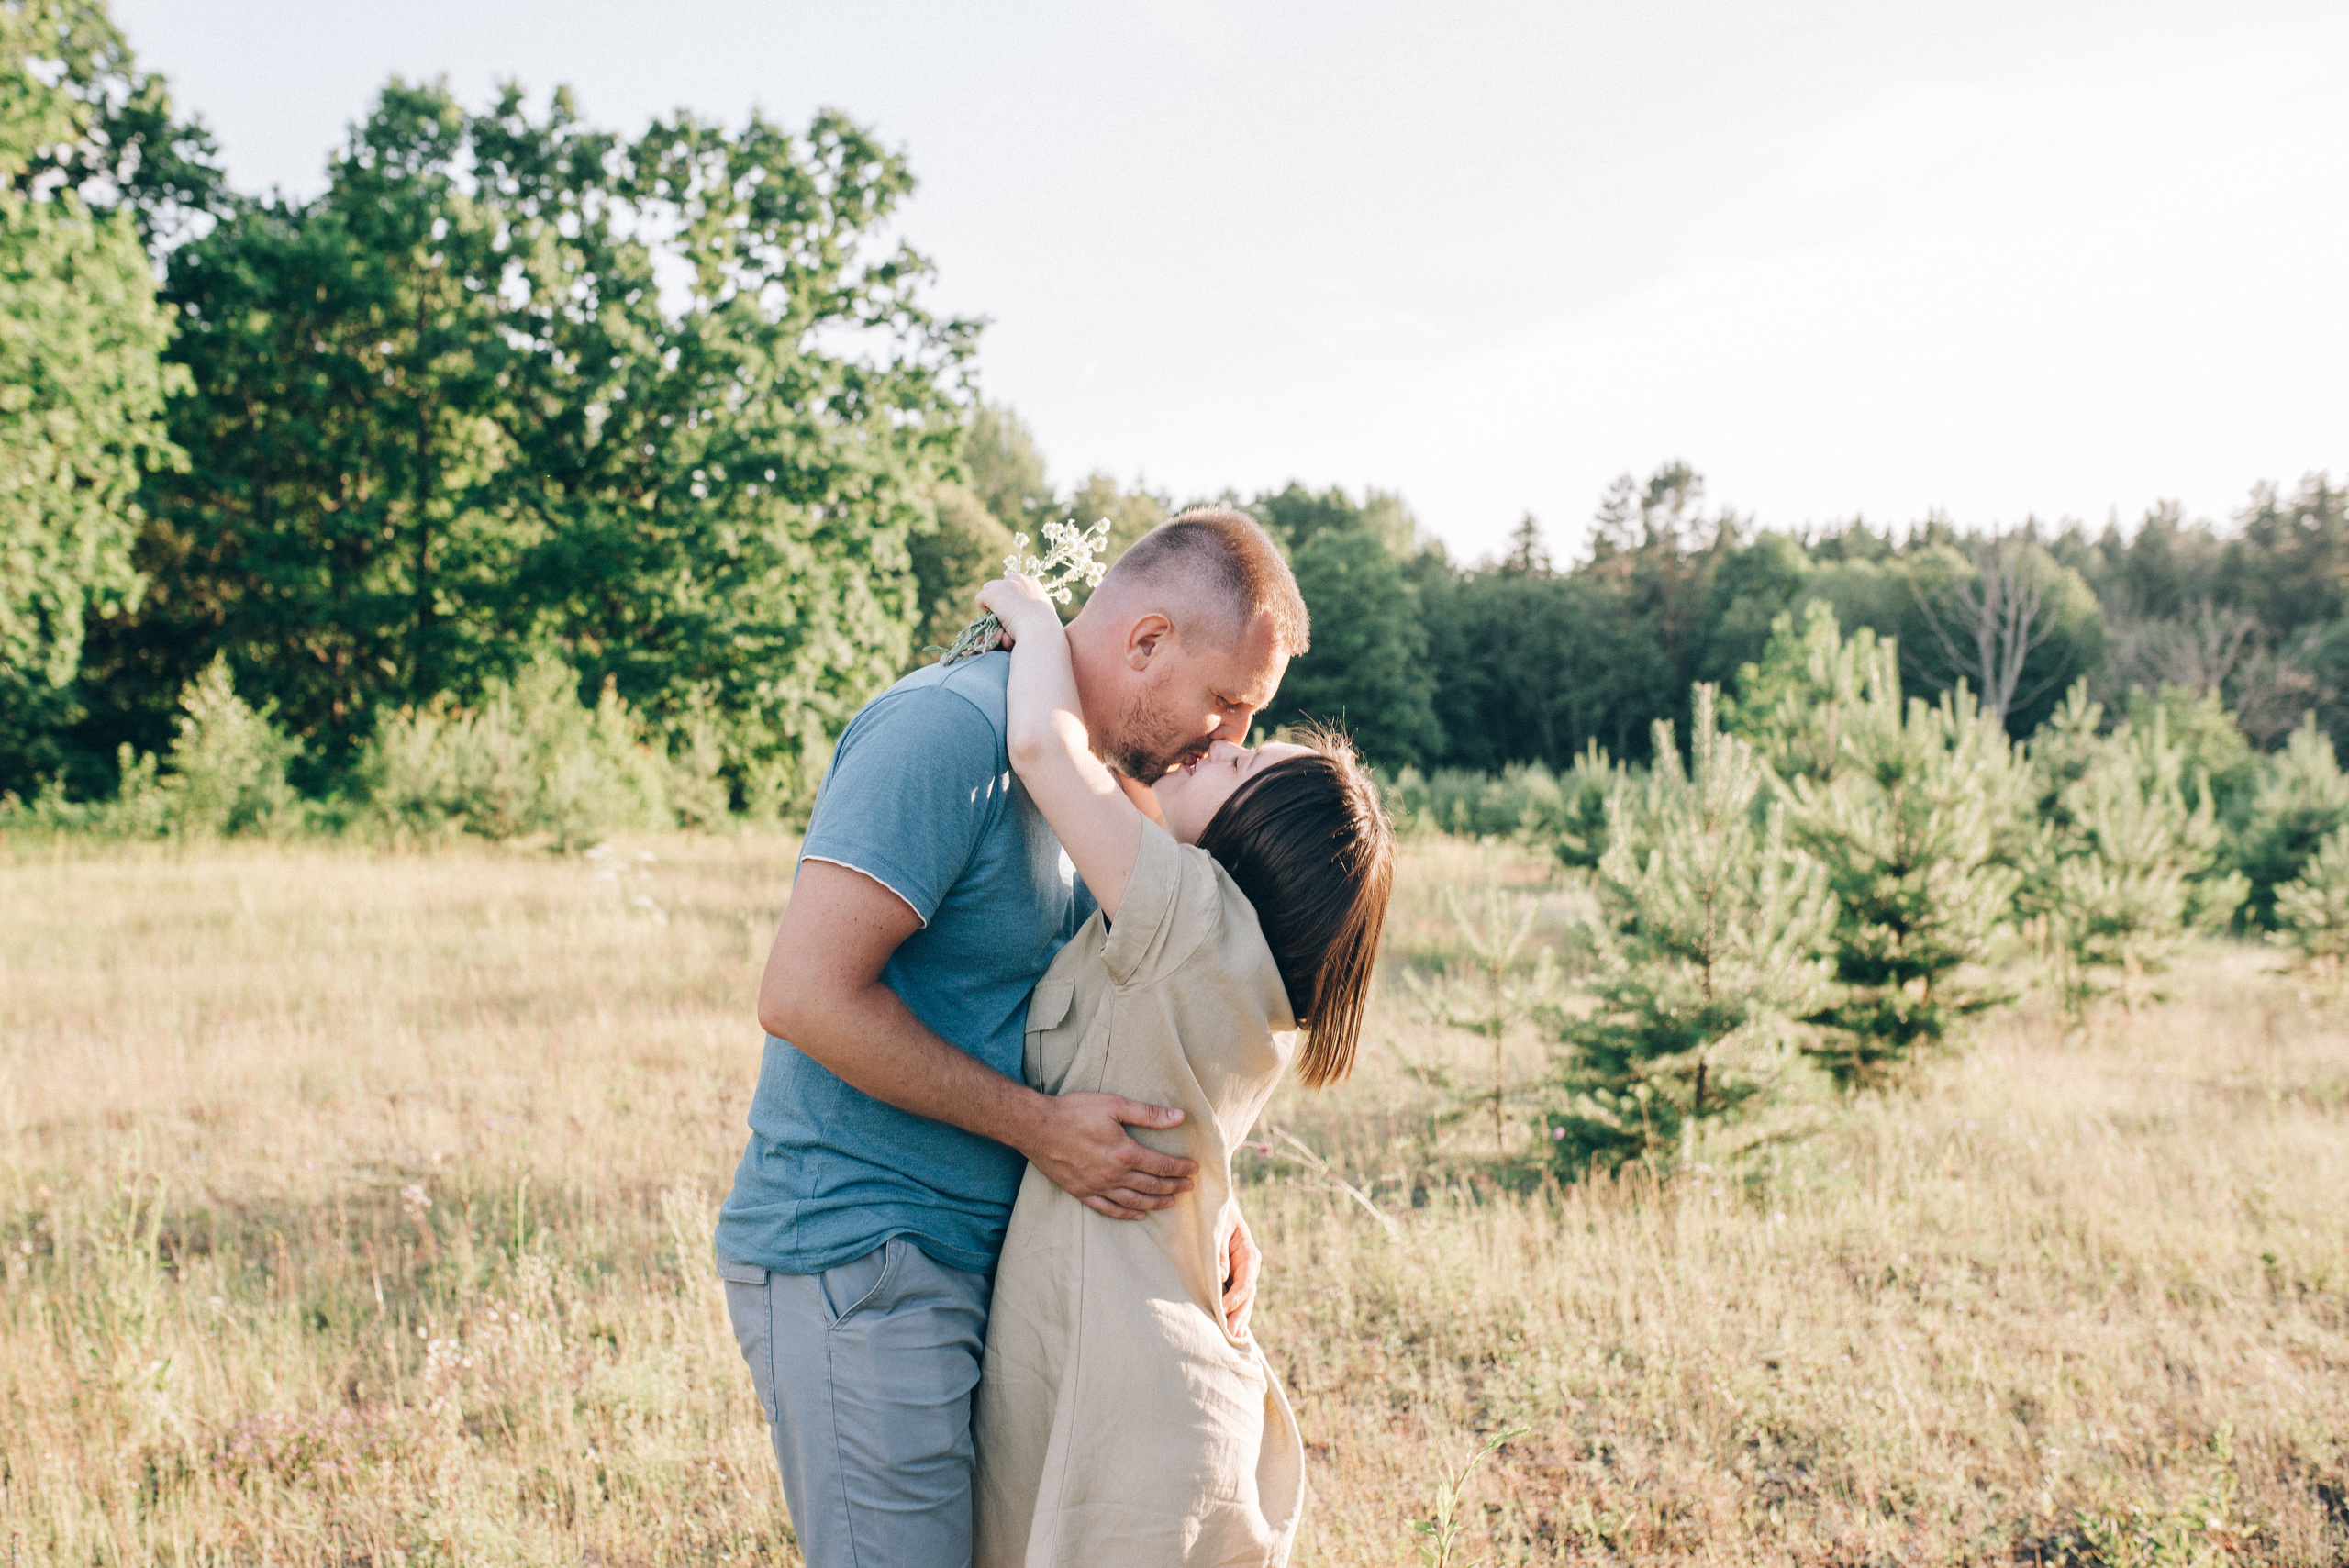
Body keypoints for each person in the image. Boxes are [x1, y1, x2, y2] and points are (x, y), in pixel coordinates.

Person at [714, 510, 1312, 1568]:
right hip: (865, 1250)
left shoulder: (1101, 794)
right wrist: (1040, 1127)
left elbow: (1122, 1023)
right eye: (1227, 700)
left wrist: (1208, 1199)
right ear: (1147, 640)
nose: (1227, 736)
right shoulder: (947, 731)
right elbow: (804, 996)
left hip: (987, 1259)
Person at [967, 570, 1396, 1567]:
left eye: (1244, 764)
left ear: (1254, 841)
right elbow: (1121, 781)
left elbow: (1046, 750)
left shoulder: (1190, 915)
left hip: (1125, 1396)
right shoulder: (1242, 964)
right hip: (1158, 1380)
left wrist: (1033, 615)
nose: (1221, 743)